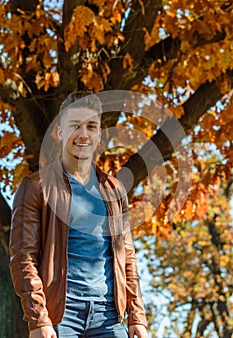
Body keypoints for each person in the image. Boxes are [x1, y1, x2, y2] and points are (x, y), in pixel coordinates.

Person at [9, 91, 148, 338]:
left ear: (98, 136)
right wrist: (39, 320)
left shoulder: (114, 191)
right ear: (60, 132)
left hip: (109, 317)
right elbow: (23, 258)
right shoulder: (36, 187)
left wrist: (137, 317)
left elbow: (127, 257)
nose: (83, 134)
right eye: (75, 126)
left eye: (91, 126)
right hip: (61, 316)